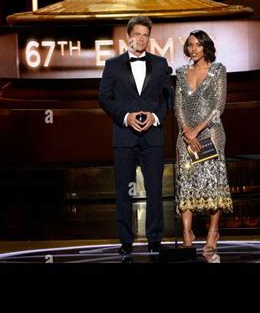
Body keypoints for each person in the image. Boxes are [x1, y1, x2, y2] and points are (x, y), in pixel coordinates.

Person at [98, 15, 172, 255]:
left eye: (145, 35)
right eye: (137, 34)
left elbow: (168, 98)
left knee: (154, 189)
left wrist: (155, 117)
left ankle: (154, 239)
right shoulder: (113, 65)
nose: (141, 39)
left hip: (153, 137)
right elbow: (104, 98)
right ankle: (126, 242)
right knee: (123, 191)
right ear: (128, 37)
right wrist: (126, 117)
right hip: (124, 136)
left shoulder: (161, 64)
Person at [174, 30, 233, 252]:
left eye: (198, 45)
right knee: (186, 182)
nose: (193, 49)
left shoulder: (218, 71)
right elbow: (178, 106)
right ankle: (187, 233)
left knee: (212, 182)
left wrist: (197, 130)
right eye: (190, 45)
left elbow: (219, 107)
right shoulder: (180, 73)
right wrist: (187, 131)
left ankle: (212, 232)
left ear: (206, 47)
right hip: (185, 136)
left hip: (211, 133)